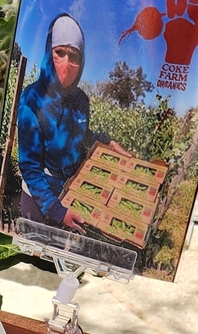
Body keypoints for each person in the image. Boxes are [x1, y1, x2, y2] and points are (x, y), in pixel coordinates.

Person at [17, 13, 124, 231]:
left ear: (81, 61)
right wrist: (56, 211)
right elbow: (30, 167)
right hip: (39, 198)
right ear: (49, 53)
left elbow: (82, 135)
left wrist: (106, 142)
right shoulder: (32, 99)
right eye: (60, 53)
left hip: (70, 192)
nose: (67, 63)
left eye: (74, 56)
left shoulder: (80, 100)